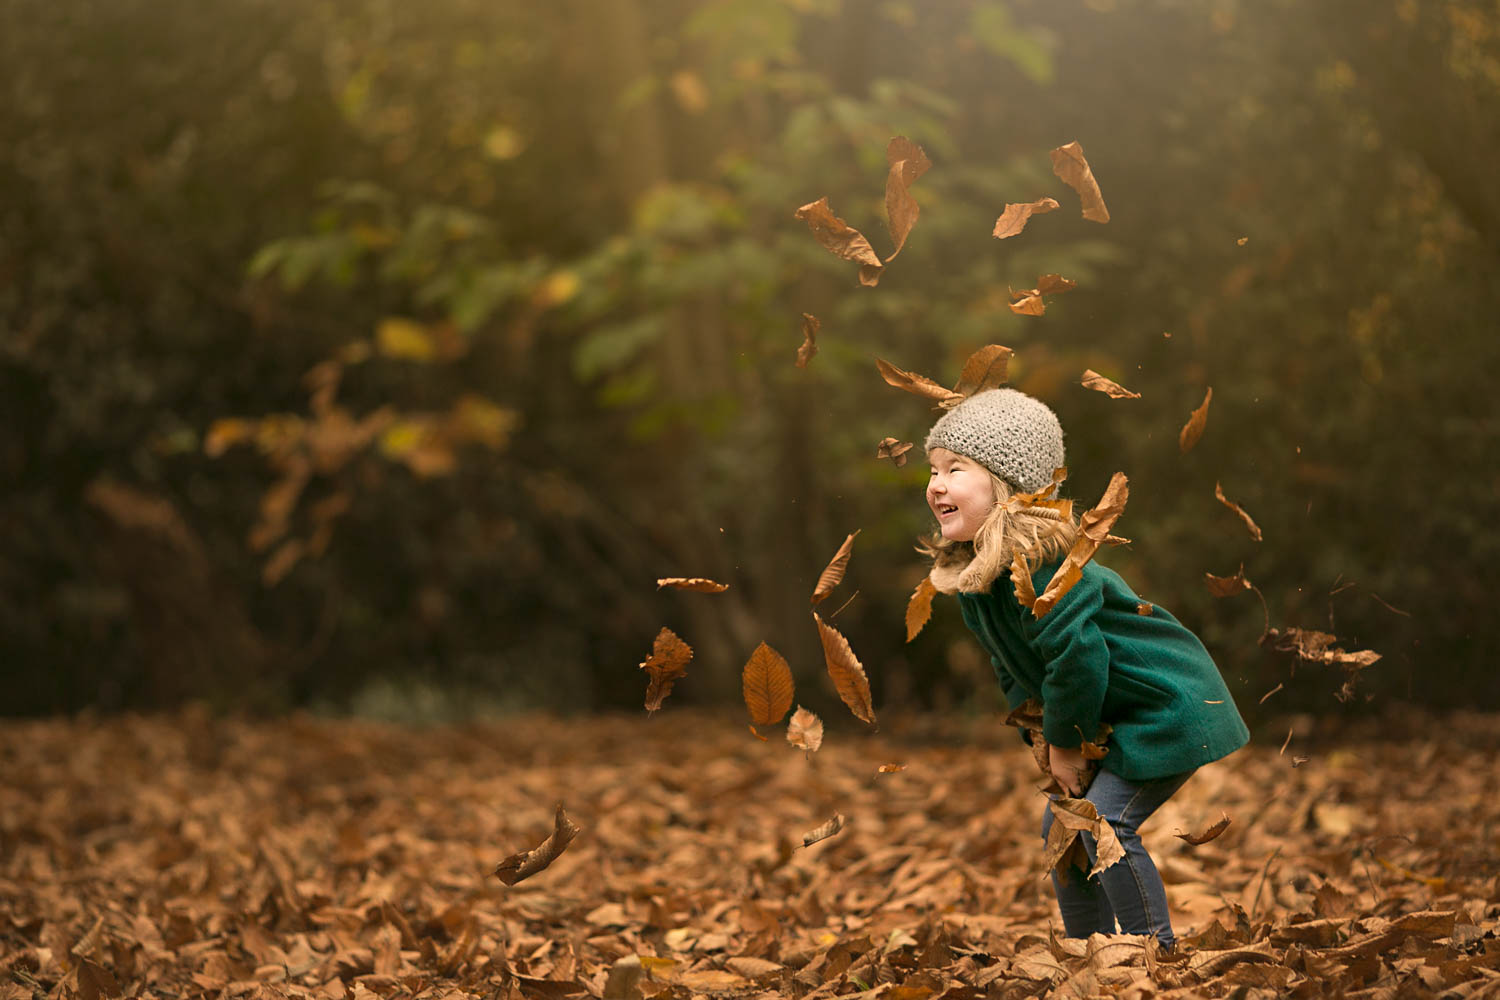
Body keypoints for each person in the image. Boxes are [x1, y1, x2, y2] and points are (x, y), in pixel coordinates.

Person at [920, 387, 1249, 951]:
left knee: (1103, 826)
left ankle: (1155, 955)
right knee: (1064, 831)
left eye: (956, 468)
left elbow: (1079, 659)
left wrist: (1068, 740)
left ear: (1008, 488)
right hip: (1115, 711)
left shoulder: (1051, 566)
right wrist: (1039, 735)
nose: (935, 484)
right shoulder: (978, 578)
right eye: (932, 470)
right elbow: (1014, 665)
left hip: (1167, 704)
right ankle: (1087, 949)